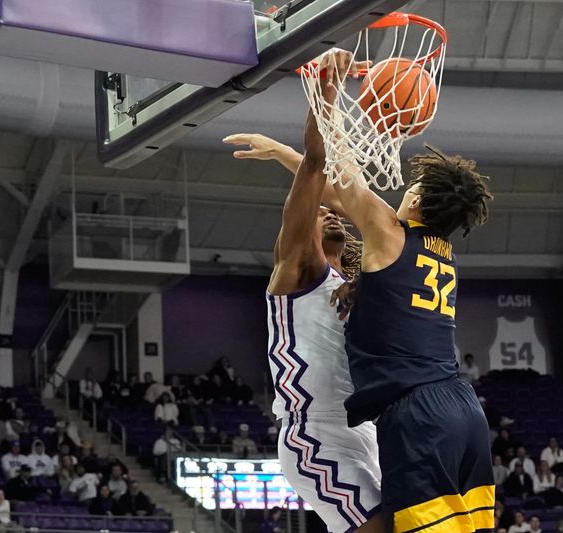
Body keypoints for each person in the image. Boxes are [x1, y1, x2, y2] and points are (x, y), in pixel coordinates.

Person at [314, 48, 494, 533]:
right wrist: (283, 155)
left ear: (415, 198)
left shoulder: (391, 233)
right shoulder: (443, 253)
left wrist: (327, 91)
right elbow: (336, 192)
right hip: (464, 410)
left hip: (420, 414)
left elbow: (341, 172)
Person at [223, 53, 384, 533]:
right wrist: (325, 92)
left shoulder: (352, 280)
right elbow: (317, 168)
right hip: (316, 434)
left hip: (366, 430)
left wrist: (276, 151)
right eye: (318, 212)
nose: (329, 213)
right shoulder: (298, 267)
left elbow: (339, 194)